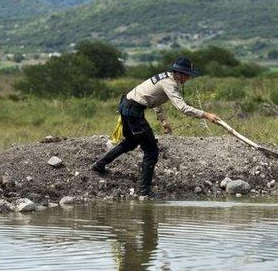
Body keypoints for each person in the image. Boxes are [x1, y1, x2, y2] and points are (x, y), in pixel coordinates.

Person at [92, 56, 219, 197]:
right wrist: (206, 115)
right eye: (188, 75)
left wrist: (163, 120)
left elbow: (154, 98)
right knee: (151, 151)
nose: (188, 78)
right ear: (179, 73)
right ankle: (144, 192)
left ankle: (99, 165)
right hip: (133, 110)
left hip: (126, 104)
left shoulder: (166, 77)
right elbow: (182, 107)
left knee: (130, 142)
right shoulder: (169, 84)